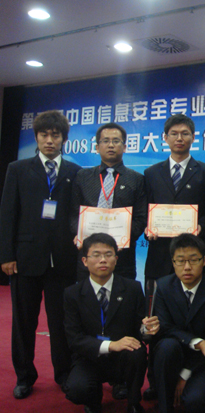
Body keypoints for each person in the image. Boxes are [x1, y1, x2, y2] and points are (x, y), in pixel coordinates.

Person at [0, 110, 81, 399]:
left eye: (55, 135)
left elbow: (77, 215)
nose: (49, 140)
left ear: (64, 139)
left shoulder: (74, 172)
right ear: (36, 137)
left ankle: (64, 373)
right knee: (24, 322)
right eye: (44, 134)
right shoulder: (18, 169)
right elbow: (8, 214)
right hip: (25, 259)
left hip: (63, 260)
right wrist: (6, 255)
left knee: (61, 323)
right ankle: (24, 376)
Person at [143, 114, 205, 399]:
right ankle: (155, 380)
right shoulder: (151, 173)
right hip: (158, 258)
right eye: (174, 133)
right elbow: (145, 211)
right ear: (165, 138)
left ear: (193, 137)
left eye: (185, 133)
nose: (179, 138)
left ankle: (191, 373)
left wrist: (202, 228)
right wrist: (147, 228)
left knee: (193, 317)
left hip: (191, 260)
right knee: (154, 322)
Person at [63, 233, 159, 413]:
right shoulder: (72, 293)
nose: (103, 260)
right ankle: (93, 400)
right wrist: (110, 345)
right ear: (84, 261)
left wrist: (147, 329)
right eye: (96, 255)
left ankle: (133, 402)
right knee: (77, 390)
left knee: (137, 352)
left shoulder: (132, 288)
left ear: (116, 259)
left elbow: (140, 331)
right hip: (89, 357)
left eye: (108, 254)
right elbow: (74, 339)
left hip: (123, 357)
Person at [153, 233, 205, 413]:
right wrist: (198, 342)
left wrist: (185, 374)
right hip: (174, 354)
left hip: (203, 362)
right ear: (173, 262)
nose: (187, 267)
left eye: (193, 260)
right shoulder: (163, 286)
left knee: (195, 400)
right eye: (180, 261)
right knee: (166, 346)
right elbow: (165, 327)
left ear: (204, 260)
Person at [71, 122, 147, 280]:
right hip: (88, 255)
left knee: (123, 294)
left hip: (122, 256)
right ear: (97, 147)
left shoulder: (137, 179)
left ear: (124, 147)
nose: (111, 145)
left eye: (116, 141)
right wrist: (79, 235)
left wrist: (122, 239)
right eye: (105, 141)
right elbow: (73, 213)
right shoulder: (82, 176)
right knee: (87, 294)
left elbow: (141, 218)